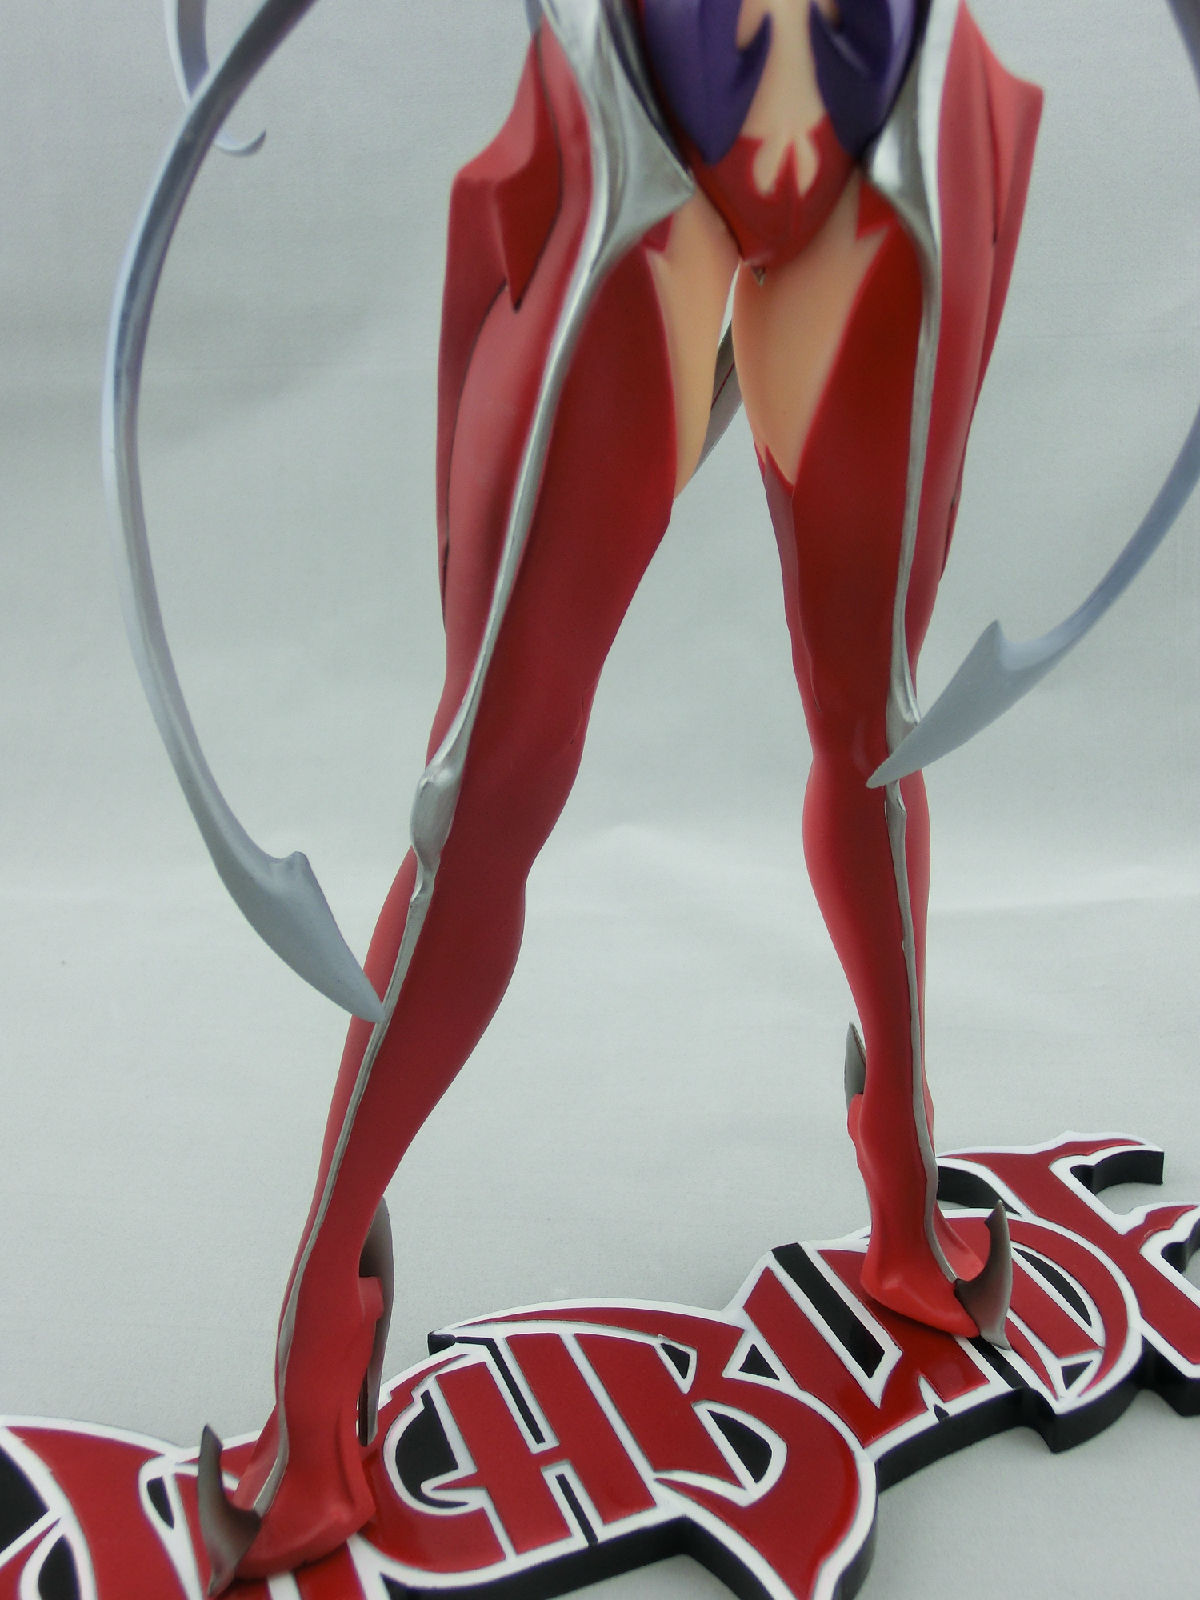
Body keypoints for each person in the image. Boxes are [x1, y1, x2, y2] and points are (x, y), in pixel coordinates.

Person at [197, 0, 1042, 1588]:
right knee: (486, 782)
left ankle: (905, 1192)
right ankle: (319, 1350)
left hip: (880, 149)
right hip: (651, 139)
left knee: (870, 723)